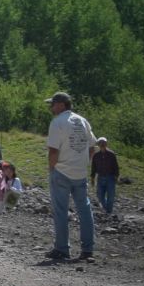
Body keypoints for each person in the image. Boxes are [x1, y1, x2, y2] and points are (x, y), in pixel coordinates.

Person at [44, 92, 97, 263]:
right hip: (80, 172)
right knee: (84, 210)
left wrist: (52, 169)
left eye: (52, 104)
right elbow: (92, 146)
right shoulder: (82, 121)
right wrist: (85, 164)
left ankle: (62, 248)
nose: (51, 107)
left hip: (62, 170)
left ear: (60, 105)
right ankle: (87, 249)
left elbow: (53, 151)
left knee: (61, 211)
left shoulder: (57, 122)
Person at [92, 136, 120, 217]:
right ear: (98, 145)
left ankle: (109, 213)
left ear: (106, 144)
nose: (102, 145)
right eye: (100, 143)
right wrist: (92, 178)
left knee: (111, 196)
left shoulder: (111, 154)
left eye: (103, 143)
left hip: (110, 177)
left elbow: (116, 166)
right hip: (100, 177)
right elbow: (93, 167)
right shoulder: (96, 156)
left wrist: (117, 176)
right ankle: (107, 210)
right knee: (100, 196)